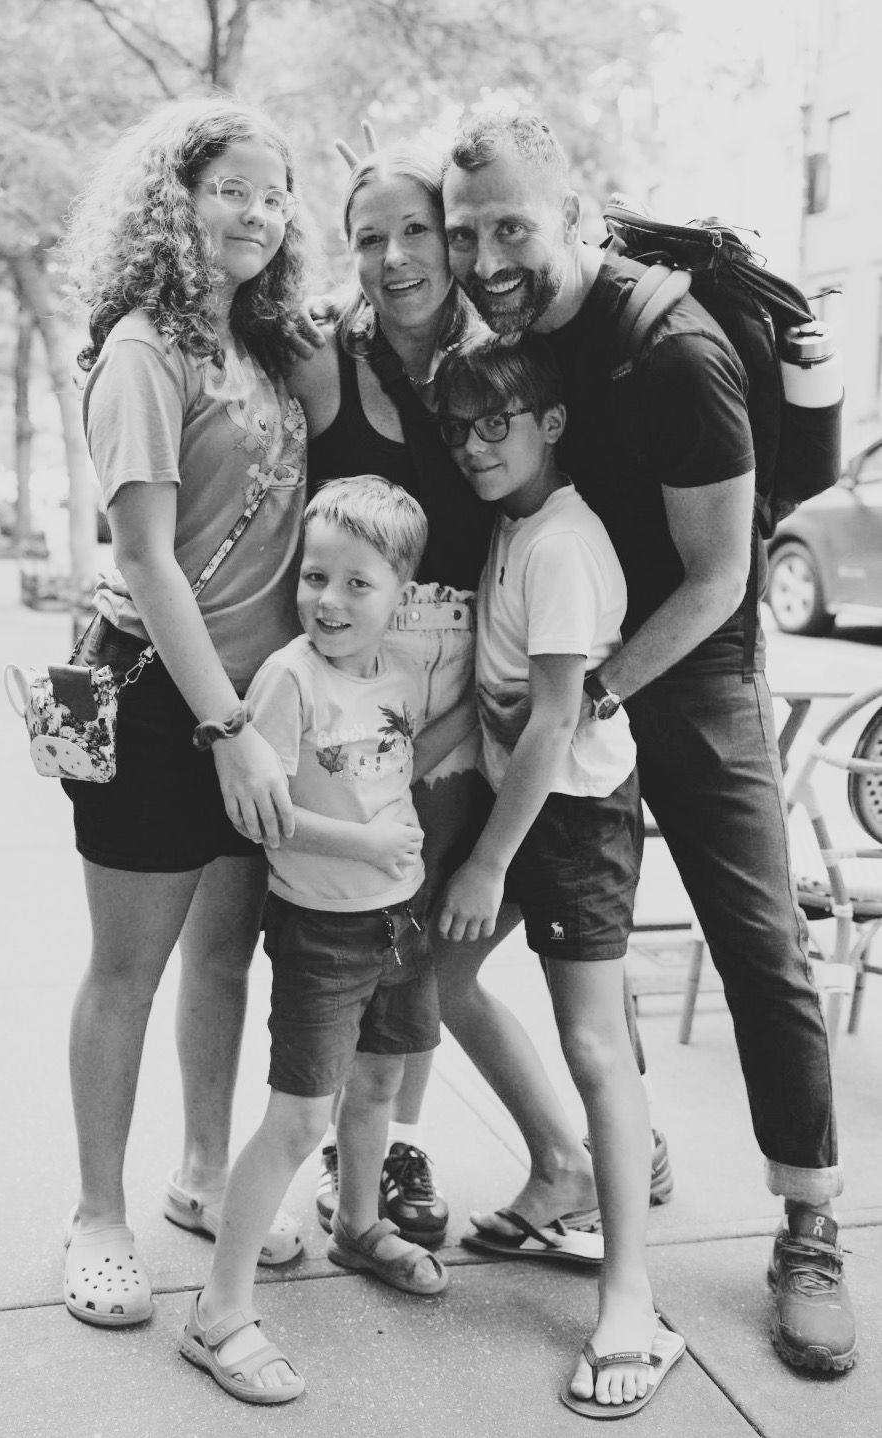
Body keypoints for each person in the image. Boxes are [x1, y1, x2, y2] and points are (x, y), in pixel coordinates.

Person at [440, 106, 856, 1376]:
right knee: (583, 914)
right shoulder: (515, 336)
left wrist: (592, 693)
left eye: (511, 226)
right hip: (580, 662)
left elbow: (724, 575)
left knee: (758, 936)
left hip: (688, 660)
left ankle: (812, 1223)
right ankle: (622, 1152)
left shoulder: (674, 351)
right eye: (467, 233)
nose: (486, 257)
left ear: (577, 216)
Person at [288, 137, 655, 1249]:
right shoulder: (331, 354)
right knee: (394, 941)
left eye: (421, 232)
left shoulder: (499, 366)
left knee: (446, 942)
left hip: (492, 698)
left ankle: (597, 1144)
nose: (397, 256)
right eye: (370, 238)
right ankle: (408, 1156)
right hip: (385, 681)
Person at [59, 96, 309, 1327]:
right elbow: (147, 557)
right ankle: (98, 1216)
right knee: (130, 967)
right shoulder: (146, 350)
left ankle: (206, 1173)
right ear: (177, 198)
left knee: (222, 957)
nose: (258, 212)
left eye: (276, 193)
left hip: (253, 709)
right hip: (171, 708)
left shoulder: (259, 347)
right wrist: (227, 728)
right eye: (232, 188)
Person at [434, 335, 685, 1414]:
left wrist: (488, 859)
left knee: (593, 1041)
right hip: (529, 804)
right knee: (438, 979)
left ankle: (630, 1297)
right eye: (459, 428)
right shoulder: (517, 525)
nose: (476, 445)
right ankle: (558, 1168)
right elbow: (497, 706)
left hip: (571, 815)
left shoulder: (563, 544)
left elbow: (551, 725)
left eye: (499, 422)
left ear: (551, 423)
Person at [181, 478, 463, 1405]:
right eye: (315, 578)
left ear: (401, 594)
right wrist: (368, 844)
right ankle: (217, 1310)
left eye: (356, 584)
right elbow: (262, 815)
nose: (329, 601)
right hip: (322, 930)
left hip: (402, 918)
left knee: (381, 1082)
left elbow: (402, 756)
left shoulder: (402, 672)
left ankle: (358, 1222)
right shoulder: (287, 678)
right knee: (301, 1117)